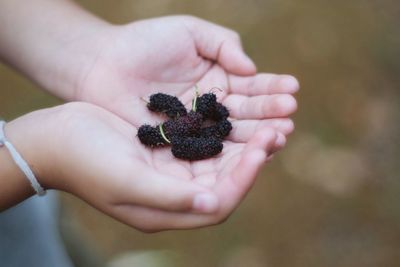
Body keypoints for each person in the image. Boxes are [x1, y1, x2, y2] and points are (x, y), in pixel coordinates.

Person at [0, 1, 298, 264]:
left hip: (32, 221)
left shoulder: (188, 119)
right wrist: (36, 154)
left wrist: (92, 51)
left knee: (61, 243)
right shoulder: (179, 127)